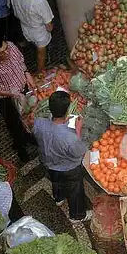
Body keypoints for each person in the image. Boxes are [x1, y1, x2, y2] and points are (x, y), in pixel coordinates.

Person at [33, 91, 92, 223]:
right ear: (67, 112)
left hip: (49, 163)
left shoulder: (38, 122)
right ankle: (77, 215)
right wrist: (77, 130)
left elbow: (40, 134)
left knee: (56, 181)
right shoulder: (69, 137)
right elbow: (79, 152)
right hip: (68, 168)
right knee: (75, 190)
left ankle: (59, 198)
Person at [0, 34, 36, 162]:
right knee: (14, 125)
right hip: (7, 100)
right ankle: (20, 147)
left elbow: (21, 62)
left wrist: (27, 74)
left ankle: (28, 136)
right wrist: (10, 93)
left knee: (27, 116)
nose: (6, 53)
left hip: (23, 90)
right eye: (1, 52)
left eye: (6, 49)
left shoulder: (11, 46)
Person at [8, 0, 54, 74]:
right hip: (39, 32)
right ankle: (39, 72)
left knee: (31, 43)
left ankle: (30, 56)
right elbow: (49, 27)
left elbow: (10, 6)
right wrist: (52, 28)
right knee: (41, 53)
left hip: (24, 26)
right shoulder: (39, 1)